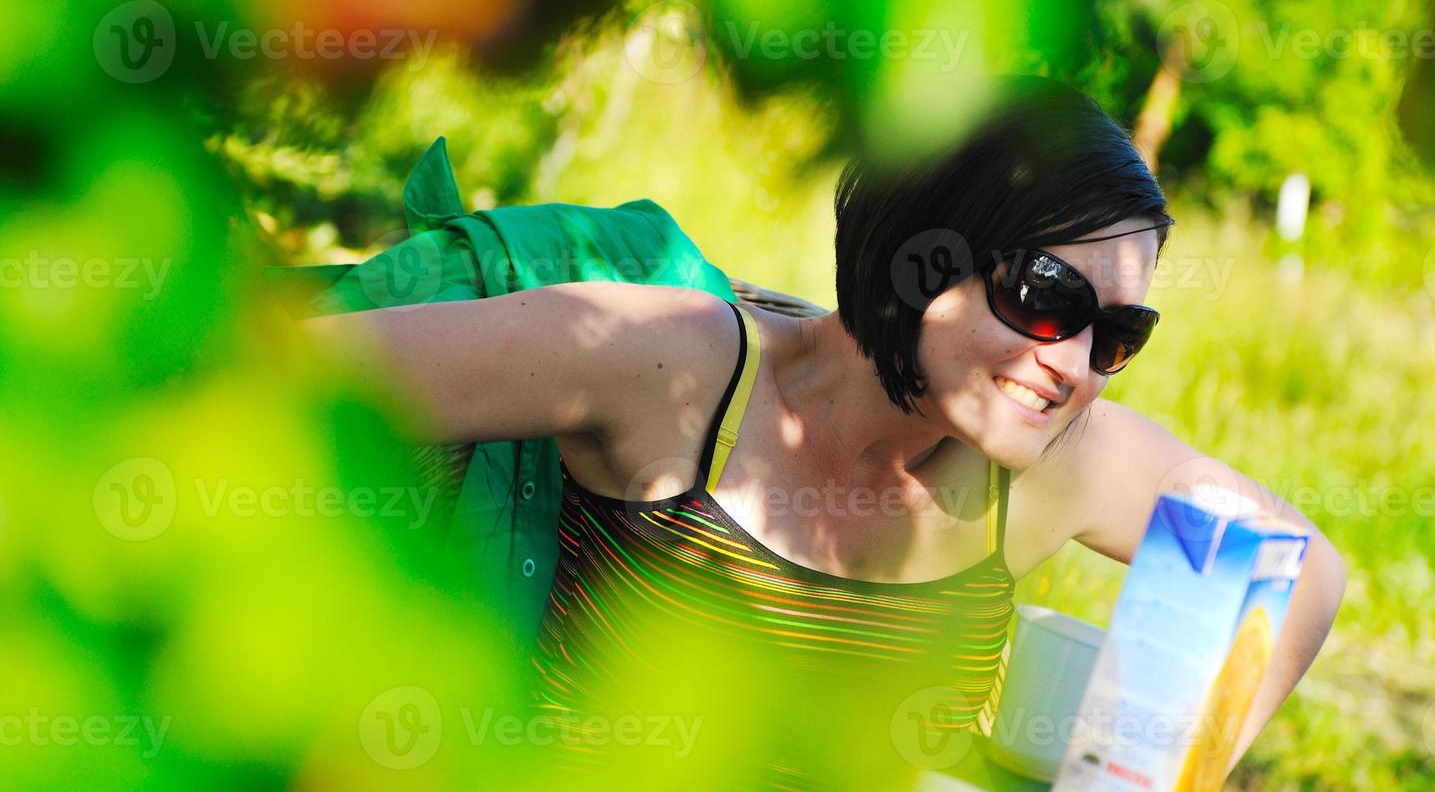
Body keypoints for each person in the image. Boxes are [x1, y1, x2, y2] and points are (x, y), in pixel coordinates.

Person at [307, 76, 1345, 790]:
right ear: (924, 248)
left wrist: (1162, 768)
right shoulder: (679, 368)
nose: (1072, 362)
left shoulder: (1048, 462)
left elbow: (1304, 569)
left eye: (1116, 333)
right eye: (1045, 294)